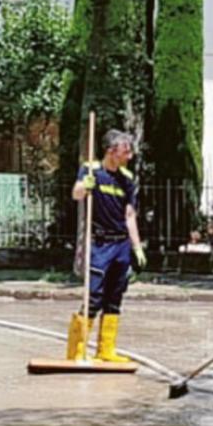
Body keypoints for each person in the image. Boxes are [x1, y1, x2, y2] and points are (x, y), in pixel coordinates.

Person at [71, 129, 147, 363]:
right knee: (93, 295)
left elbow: (130, 215)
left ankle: (106, 350)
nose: (130, 156)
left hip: (121, 244)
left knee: (115, 297)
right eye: (126, 151)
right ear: (111, 151)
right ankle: (77, 350)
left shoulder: (127, 179)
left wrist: (137, 247)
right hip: (99, 243)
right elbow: (76, 195)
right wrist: (86, 186)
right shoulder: (91, 169)